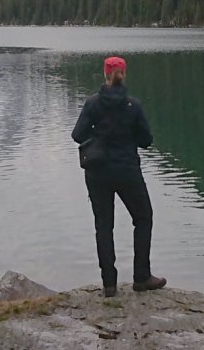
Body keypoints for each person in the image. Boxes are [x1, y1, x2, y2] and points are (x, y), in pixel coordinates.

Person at [71, 55, 166, 298]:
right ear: (124, 74)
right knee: (143, 217)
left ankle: (109, 285)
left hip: (97, 172)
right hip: (127, 171)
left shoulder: (92, 104)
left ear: (105, 74)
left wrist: (99, 133)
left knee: (104, 225)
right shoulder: (133, 105)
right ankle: (141, 277)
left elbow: (78, 135)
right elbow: (146, 141)